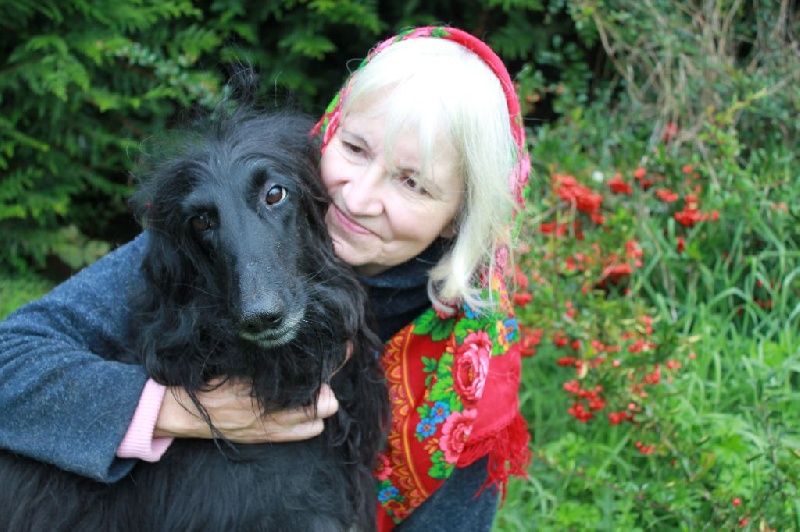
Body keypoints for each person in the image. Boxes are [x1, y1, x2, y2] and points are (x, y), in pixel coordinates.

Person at [0, 26, 531, 531]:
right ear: (329, 131)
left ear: (460, 215)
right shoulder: (222, 226)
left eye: (412, 183)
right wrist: (177, 410)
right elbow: (11, 360)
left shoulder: (472, 382)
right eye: (355, 149)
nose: (357, 199)